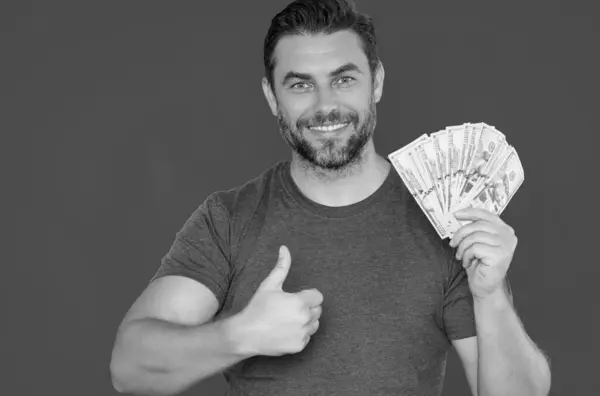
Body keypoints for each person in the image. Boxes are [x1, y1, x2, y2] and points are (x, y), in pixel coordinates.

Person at [109, 1, 552, 395]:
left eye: (343, 79)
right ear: (271, 97)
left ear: (375, 83)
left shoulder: (445, 220)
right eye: (301, 85)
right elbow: (129, 369)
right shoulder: (228, 219)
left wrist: (490, 296)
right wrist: (240, 335)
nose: (325, 105)